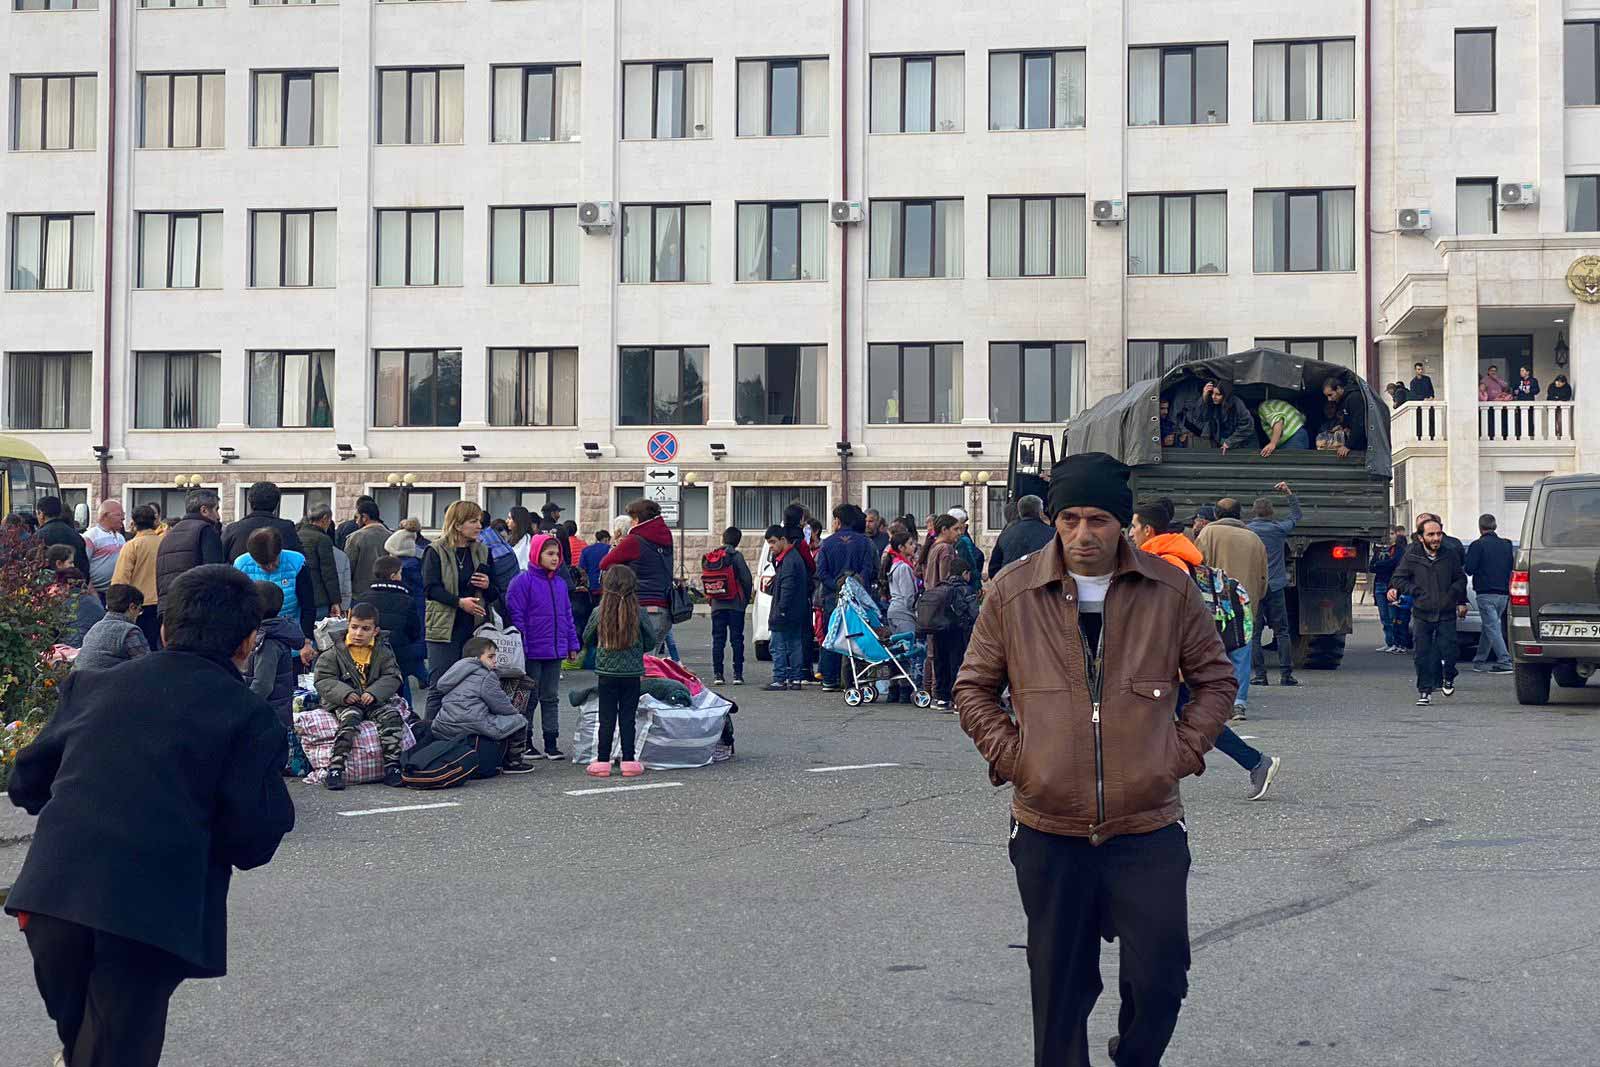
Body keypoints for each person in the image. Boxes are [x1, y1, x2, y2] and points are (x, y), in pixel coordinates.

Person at [954, 452, 1235, 1067]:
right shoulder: (1013, 590)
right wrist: (1016, 756)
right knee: (1058, 991)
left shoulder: (1169, 589)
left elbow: (1215, 680)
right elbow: (972, 687)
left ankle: (1135, 1056)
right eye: (1071, 519)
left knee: (1163, 977)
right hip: (1049, 825)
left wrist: (1179, 752)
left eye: (1100, 519)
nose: (1084, 535)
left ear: (1123, 523)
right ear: (1055, 520)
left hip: (1147, 822)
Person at [6, 565, 294, 1067]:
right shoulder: (248, 714)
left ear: (163, 629)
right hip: (149, 910)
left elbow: (26, 783)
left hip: (53, 896)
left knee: (88, 1046)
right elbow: (253, 838)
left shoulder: (91, 685)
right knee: (115, 1052)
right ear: (249, 642)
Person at [1135, 499, 1281, 800]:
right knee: (1187, 717)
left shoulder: (1166, 561)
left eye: (1135, 527)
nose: (1131, 532)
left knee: (1160, 716)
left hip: (1167, 659)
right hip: (1169, 658)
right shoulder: (1167, 555)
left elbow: (1170, 616)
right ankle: (1255, 762)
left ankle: (1255, 762)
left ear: (1148, 530)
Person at [313, 602, 405, 789]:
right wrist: (345, 694)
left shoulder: (383, 651)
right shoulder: (334, 652)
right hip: (346, 702)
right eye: (354, 627)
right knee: (349, 722)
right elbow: (323, 680)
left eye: (365, 629)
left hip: (373, 699)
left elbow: (393, 676)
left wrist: (374, 692)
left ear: (375, 631)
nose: (358, 633)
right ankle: (336, 768)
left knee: (392, 718)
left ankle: (393, 766)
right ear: (348, 624)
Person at [507, 533, 580, 759]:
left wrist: (572, 644)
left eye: (557, 554)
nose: (555, 558)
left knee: (550, 697)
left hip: (555, 650)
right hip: (532, 651)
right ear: (537, 554)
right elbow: (516, 615)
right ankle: (525, 740)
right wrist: (523, 643)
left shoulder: (559, 584)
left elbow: (567, 616)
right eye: (550, 553)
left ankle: (551, 742)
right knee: (528, 697)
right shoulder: (522, 581)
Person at [582, 565, 658, 777]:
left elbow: (586, 638)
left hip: (606, 672)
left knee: (606, 717)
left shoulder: (599, 612)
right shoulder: (639, 612)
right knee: (628, 717)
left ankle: (603, 761)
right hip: (632, 672)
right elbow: (651, 640)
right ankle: (629, 761)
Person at [423, 500, 497, 721]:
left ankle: (465, 737)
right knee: (440, 685)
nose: (479, 526)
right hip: (444, 628)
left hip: (475, 629)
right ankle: (430, 737)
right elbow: (430, 588)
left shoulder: (483, 551)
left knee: (474, 685)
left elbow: (496, 593)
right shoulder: (435, 550)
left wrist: (487, 585)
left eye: (479, 521)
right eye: (473, 521)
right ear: (457, 524)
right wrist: (459, 602)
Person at [1195, 498, 1268, 717]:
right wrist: (1254, 598)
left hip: (1214, 604)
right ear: (1240, 514)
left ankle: (1214, 701)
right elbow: (1263, 577)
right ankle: (1238, 702)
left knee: (1213, 652)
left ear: (1216, 515)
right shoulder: (1254, 539)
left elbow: (1197, 565)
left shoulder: (1207, 534)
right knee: (1241, 654)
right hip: (1244, 604)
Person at [1389, 517, 1468, 705]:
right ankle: (1424, 691)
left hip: (1446, 611)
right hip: (1422, 612)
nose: (1435, 538)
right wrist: (1414, 591)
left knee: (1449, 651)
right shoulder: (1412, 555)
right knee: (1422, 654)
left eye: (1438, 534)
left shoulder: (1450, 554)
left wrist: (1458, 599)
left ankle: (1448, 676)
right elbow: (1399, 578)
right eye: (1431, 534)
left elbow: (1460, 579)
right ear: (1421, 537)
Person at [431, 637, 535, 773]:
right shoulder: (486, 675)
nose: (495, 660)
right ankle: (513, 763)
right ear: (477, 658)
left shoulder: (455, 672)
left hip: (445, 725)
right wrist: (515, 711)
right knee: (519, 721)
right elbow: (500, 705)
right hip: (472, 724)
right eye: (491, 656)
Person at [599, 498, 676, 657]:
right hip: (665, 606)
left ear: (639, 519)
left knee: (639, 663)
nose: (631, 523)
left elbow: (605, 563)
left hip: (642, 604)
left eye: (633, 519)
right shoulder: (665, 536)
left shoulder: (634, 540)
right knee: (651, 660)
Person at [1245, 482, 1302, 688]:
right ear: (1271, 513)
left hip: (1255, 586)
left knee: (1254, 633)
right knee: (1282, 631)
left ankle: (1260, 675)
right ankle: (1286, 674)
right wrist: (1289, 494)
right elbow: (1296, 517)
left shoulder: (1247, 531)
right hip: (1276, 584)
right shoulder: (1278, 529)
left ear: (1254, 512)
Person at [817, 504, 880, 692]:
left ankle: (830, 678)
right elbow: (870, 569)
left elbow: (821, 572)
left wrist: (837, 584)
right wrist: (855, 583)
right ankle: (855, 679)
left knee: (833, 634)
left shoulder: (827, 543)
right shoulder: (865, 542)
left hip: (833, 597)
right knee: (858, 634)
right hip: (859, 597)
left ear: (838, 520)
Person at [233, 527, 316, 642]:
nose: (270, 567)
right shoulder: (241, 565)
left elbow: (308, 605)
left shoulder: (296, 562)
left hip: (291, 634)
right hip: (254, 638)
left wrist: (306, 639)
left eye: (273, 561)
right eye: (264, 564)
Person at [244, 581, 307, 730]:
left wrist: (243, 706)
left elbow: (262, 684)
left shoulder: (268, 642)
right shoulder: (270, 633)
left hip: (268, 718)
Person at [365, 554, 427, 706]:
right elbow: (414, 629)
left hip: (371, 652)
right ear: (394, 576)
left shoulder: (364, 597)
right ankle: (409, 718)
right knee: (402, 687)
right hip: (399, 652)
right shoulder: (406, 600)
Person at [154, 489, 227, 615]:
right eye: (216, 509)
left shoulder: (169, 535)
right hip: (196, 607)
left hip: (169, 608)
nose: (218, 516)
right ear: (204, 510)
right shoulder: (205, 530)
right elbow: (215, 572)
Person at [927, 555, 979, 711]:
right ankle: (958, 699)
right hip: (959, 632)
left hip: (939, 631)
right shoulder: (966, 589)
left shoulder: (940, 587)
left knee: (941, 662)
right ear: (965, 573)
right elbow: (974, 613)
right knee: (958, 664)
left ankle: (941, 699)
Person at [1465, 513, 1514, 673]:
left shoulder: (1477, 545)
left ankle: (1505, 661)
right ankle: (1479, 661)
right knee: (1490, 626)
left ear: (1480, 528)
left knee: (1492, 626)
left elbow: (1469, 569)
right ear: (1495, 526)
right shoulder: (1506, 545)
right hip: (1504, 593)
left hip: (1485, 593)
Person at [111, 504, 164, 651]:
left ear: (133, 523)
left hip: (138, 605)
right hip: (162, 602)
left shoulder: (132, 546)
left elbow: (120, 579)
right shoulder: (164, 543)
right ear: (155, 522)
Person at [763, 524, 810, 692]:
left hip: (785, 611)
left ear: (783, 540)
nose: (771, 546)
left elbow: (788, 587)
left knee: (778, 646)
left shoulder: (788, 560)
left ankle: (780, 679)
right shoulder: (792, 558)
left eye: (773, 542)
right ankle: (795, 678)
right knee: (794, 644)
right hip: (796, 610)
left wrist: (781, 609)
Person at [707, 526, 753, 686]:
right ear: (738, 541)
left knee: (718, 640)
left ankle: (718, 674)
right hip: (735, 604)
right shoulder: (736, 556)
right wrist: (745, 600)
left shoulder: (712, 556)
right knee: (737, 640)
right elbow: (746, 580)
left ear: (722, 538)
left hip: (717, 605)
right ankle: (737, 674)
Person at [72, 584, 150, 673]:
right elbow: (145, 665)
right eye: (139, 610)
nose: (138, 615)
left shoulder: (95, 627)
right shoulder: (129, 631)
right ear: (132, 607)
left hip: (79, 681)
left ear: (107, 606)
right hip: (105, 683)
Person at [884, 528, 922, 703]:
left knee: (897, 652)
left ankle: (894, 688)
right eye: (910, 544)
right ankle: (906, 688)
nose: (914, 547)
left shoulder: (895, 565)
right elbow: (909, 596)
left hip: (893, 610)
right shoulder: (904, 568)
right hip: (903, 613)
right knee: (907, 651)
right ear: (901, 547)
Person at [221, 481, 302, 562]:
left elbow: (219, 561)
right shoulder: (287, 528)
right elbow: (299, 561)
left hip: (238, 574)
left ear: (250, 502)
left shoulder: (233, 530)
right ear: (276, 504)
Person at [46, 544, 105, 647]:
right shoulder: (88, 598)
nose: (73, 566)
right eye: (71, 562)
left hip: (67, 648)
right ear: (59, 563)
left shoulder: (51, 596)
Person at [989, 494, 1055, 578]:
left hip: (1011, 584)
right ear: (1040, 511)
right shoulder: (1052, 534)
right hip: (1043, 584)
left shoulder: (1006, 534)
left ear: (1020, 512)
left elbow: (994, 568)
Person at [296, 504, 342, 621]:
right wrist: (335, 601)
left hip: (297, 595)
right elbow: (328, 572)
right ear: (325, 518)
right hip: (318, 597)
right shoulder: (322, 539)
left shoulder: (296, 535)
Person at [1185, 379, 1256, 454]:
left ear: (1225, 395)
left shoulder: (1237, 403)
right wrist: (1204, 396)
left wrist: (1230, 442)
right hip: (1225, 443)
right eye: (1212, 393)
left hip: (1245, 443)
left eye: (1218, 394)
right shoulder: (1213, 403)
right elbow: (1200, 417)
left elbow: (1247, 426)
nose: (1213, 397)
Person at [344, 497, 391, 602]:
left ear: (364, 517)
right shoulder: (391, 536)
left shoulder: (355, 537)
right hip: (385, 592)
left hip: (360, 594)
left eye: (357, 517)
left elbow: (348, 568)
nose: (356, 521)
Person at [1371, 526, 1409, 654]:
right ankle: (1389, 642)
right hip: (1379, 585)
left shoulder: (1399, 550)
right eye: (1387, 534)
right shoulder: (1379, 549)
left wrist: (1380, 565)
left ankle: (1397, 642)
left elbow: (1395, 564)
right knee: (1384, 617)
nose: (1389, 536)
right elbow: (1372, 566)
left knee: (1394, 617)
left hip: (1391, 586)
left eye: (1392, 533)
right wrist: (1381, 565)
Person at [36, 495, 91, 578]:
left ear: (41, 514)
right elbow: (84, 566)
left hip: (49, 587)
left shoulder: (38, 536)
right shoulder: (75, 534)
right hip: (76, 585)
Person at [82, 500, 126, 600]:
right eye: (119, 515)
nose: (123, 518)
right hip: (97, 594)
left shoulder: (121, 538)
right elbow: (83, 566)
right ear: (105, 516)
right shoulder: (91, 537)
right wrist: (92, 593)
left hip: (116, 594)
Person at [1321, 371, 1369, 456]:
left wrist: (1348, 446)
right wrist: (1342, 426)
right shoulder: (1342, 401)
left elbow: (1359, 423)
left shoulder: (1354, 398)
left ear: (1338, 388)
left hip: (1362, 448)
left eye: (1330, 395)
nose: (1329, 399)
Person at [947, 507, 986, 592]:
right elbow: (970, 564)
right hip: (966, 586)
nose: (965, 525)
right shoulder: (963, 541)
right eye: (963, 522)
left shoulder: (950, 541)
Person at [506, 506, 537, 571]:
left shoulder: (527, 539)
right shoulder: (512, 537)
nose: (507, 521)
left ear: (517, 520)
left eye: (510, 518)